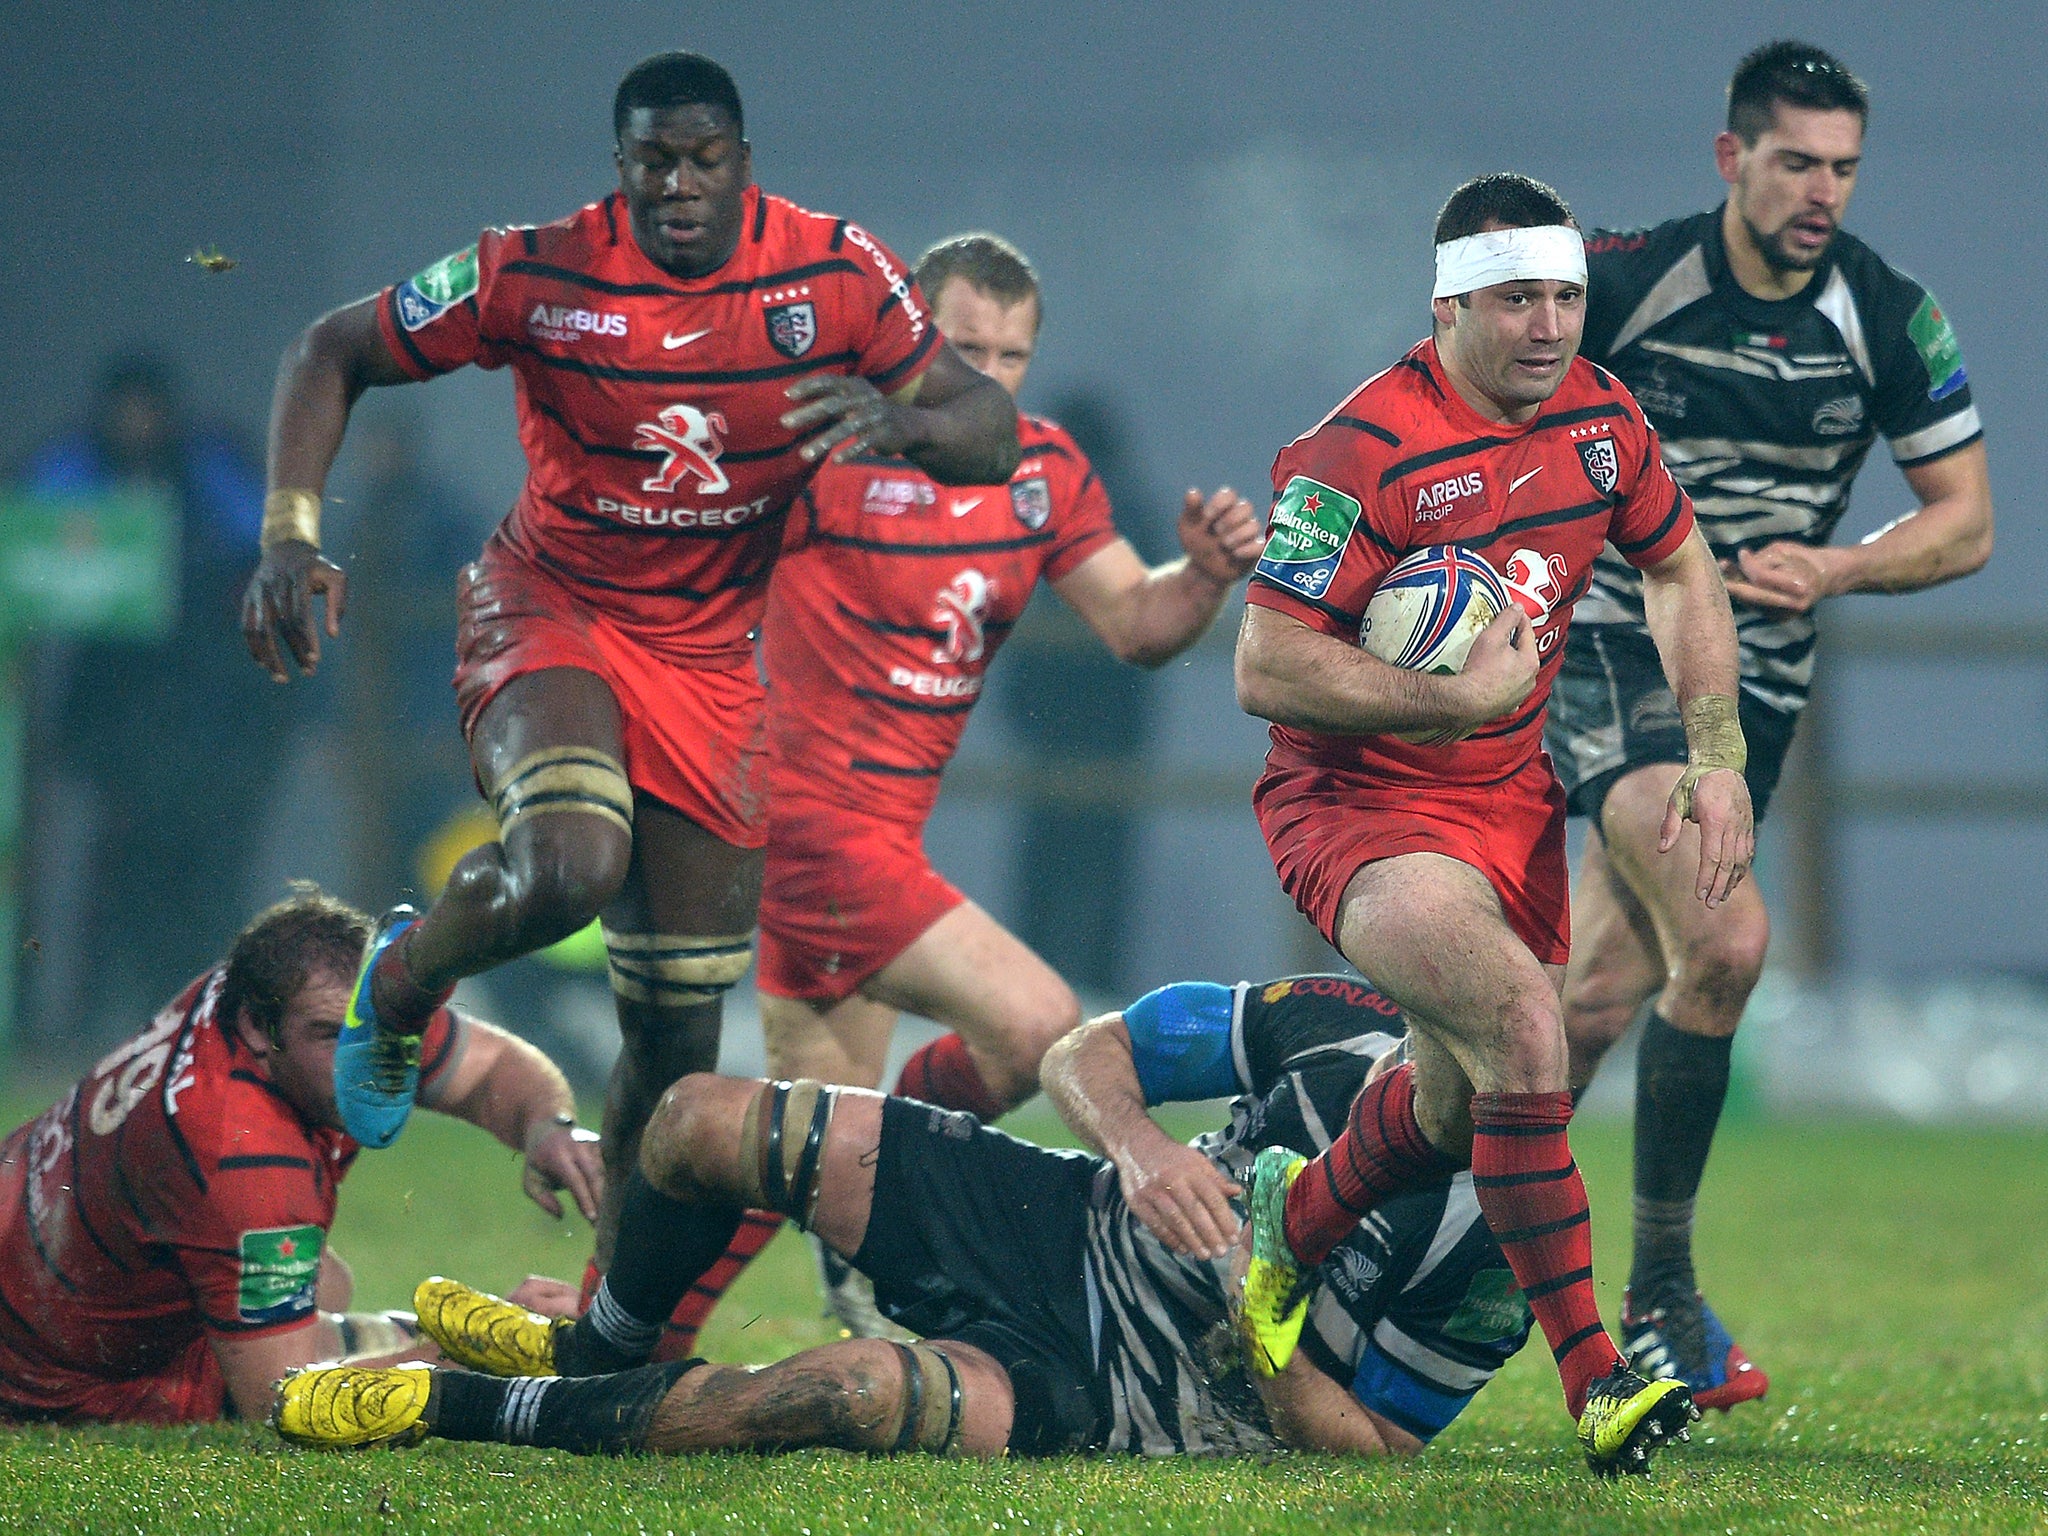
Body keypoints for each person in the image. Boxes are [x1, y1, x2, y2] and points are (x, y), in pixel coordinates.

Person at [236, 50, 1020, 1278]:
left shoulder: (834, 272)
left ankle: (607, 1327)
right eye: (653, 160)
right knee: (570, 866)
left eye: (704, 158)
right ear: (620, 168)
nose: (679, 184)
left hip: (711, 664)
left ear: (743, 164)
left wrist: (904, 423)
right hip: (550, 611)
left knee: (677, 1037)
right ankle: (402, 984)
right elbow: (329, 352)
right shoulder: (536, 272)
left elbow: (987, 428)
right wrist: (289, 533)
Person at [1231, 173, 1753, 1474]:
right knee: (1530, 1030)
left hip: (1507, 811)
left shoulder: (1599, 418)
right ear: (1450, 301)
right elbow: (1265, 666)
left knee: (1468, 1109)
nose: (1548, 325)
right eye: (1517, 297)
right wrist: (1444, 696)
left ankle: (1292, 1226)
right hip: (1359, 806)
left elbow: (1682, 563)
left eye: (1567, 296)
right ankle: (1596, 1380)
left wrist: (1720, 749)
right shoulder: (1352, 453)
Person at [659, 234, 1255, 1345]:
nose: (986, 371)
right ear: (910, 334)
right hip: (802, 827)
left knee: (809, 1139)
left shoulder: (1041, 471)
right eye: (961, 344)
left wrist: (1206, 577)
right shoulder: (826, 451)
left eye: (1011, 352)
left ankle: (626, 1327)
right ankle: (815, 1270)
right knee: (1035, 1024)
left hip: (886, 838)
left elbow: (1134, 621)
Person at [271, 972, 1535, 1460]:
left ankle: (452, 1404)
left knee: (845, 1395)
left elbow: (1386, 1450)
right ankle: (601, 1338)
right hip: (1065, 1216)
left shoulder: (1500, 1244)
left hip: (1142, 1397)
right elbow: (1091, 1050)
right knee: (699, 1119)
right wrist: (1140, 1143)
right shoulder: (1331, 1016)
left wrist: (1269, 1361)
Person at [1546, 40, 1992, 1408]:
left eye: (1845, 167)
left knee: (1595, 997)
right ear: (1731, 156)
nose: (1823, 191)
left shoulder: (1888, 314)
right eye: (1797, 160)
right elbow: (1480, 398)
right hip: (1617, 653)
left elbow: (1967, 521)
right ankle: (1662, 1292)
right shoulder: (1626, 281)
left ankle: (1387, 1209)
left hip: (1761, 688)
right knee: (1730, 939)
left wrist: (1844, 565)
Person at [0, 887, 601, 1425]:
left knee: (324, 1281)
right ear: (260, 1031)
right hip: (58, 1371)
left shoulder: (306, 1000)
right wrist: (498, 1350)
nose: (362, 1057)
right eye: (327, 1036)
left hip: (33, 1220)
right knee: (306, 1296)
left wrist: (549, 1128)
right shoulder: (243, 1158)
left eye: (373, 1028)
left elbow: (491, 1067)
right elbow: (286, 1398)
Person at [15, 353, 298, 1045]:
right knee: (115, 871)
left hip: (211, 713)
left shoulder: (207, 465)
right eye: (125, 409)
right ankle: (93, 1018)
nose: (136, 424)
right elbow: (23, 531)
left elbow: (260, 542)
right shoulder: (76, 464)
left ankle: (206, 1014)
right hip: (116, 714)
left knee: (206, 870)